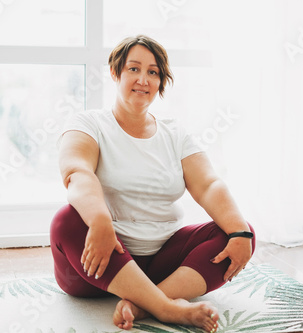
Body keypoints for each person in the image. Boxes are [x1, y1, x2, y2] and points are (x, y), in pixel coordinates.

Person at [50, 34, 256, 332]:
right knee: (66, 220)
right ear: (115, 72)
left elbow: (208, 184)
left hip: (162, 262)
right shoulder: (88, 124)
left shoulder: (175, 134)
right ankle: (166, 308)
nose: (143, 79)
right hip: (101, 261)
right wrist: (100, 221)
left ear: (161, 81)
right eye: (133, 69)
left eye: (153, 72)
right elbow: (77, 172)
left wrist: (238, 231)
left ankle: (142, 304)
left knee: (240, 232)